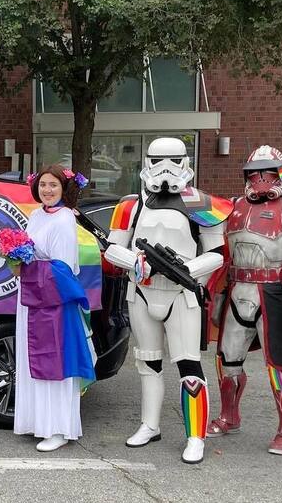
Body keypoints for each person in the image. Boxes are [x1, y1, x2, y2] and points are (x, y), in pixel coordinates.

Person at [104, 137, 230, 464]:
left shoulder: (201, 203)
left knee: (188, 364)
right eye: (158, 161)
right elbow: (113, 246)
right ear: (146, 162)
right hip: (142, 291)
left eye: (173, 161)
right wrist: (132, 261)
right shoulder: (130, 205)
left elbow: (216, 254)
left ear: (185, 163)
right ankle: (150, 424)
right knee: (147, 363)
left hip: (181, 294)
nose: (165, 169)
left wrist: (187, 269)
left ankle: (195, 436)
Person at [210, 146, 282, 454]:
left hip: (275, 293)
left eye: (268, 173)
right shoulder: (232, 207)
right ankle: (229, 415)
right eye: (254, 174)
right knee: (228, 359)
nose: (261, 180)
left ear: (281, 173)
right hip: (238, 290)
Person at [13, 165, 96, 452]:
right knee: (35, 360)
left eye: (53, 186)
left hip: (52, 300)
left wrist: (27, 264)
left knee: (55, 362)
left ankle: (59, 428)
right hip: (34, 297)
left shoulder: (63, 220)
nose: (47, 190)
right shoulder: (36, 215)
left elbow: (62, 268)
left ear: (64, 190)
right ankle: (39, 422)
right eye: (43, 185)